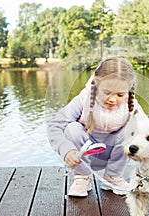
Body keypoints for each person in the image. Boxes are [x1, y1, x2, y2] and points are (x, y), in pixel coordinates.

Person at [48, 57, 144, 197]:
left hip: (113, 156)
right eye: (107, 92)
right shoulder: (83, 99)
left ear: (128, 91)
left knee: (134, 128)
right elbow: (55, 125)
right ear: (96, 85)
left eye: (120, 94)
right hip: (84, 154)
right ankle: (82, 177)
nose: (113, 99)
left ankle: (113, 177)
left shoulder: (131, 105)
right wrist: (66, 150)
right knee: (72, 128)